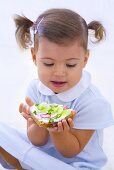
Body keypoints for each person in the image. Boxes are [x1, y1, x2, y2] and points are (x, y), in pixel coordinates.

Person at [0, 8, 114, 170]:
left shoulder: (92, 102)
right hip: (44, 157)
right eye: (48, 63)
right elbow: (37, 141)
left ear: (85, 60)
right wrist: (37, 122)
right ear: (34, 57)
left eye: (70, 65)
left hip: (76, 164)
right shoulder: (35, 89)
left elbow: (71, 151)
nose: (59, 73)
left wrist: (58, 131)